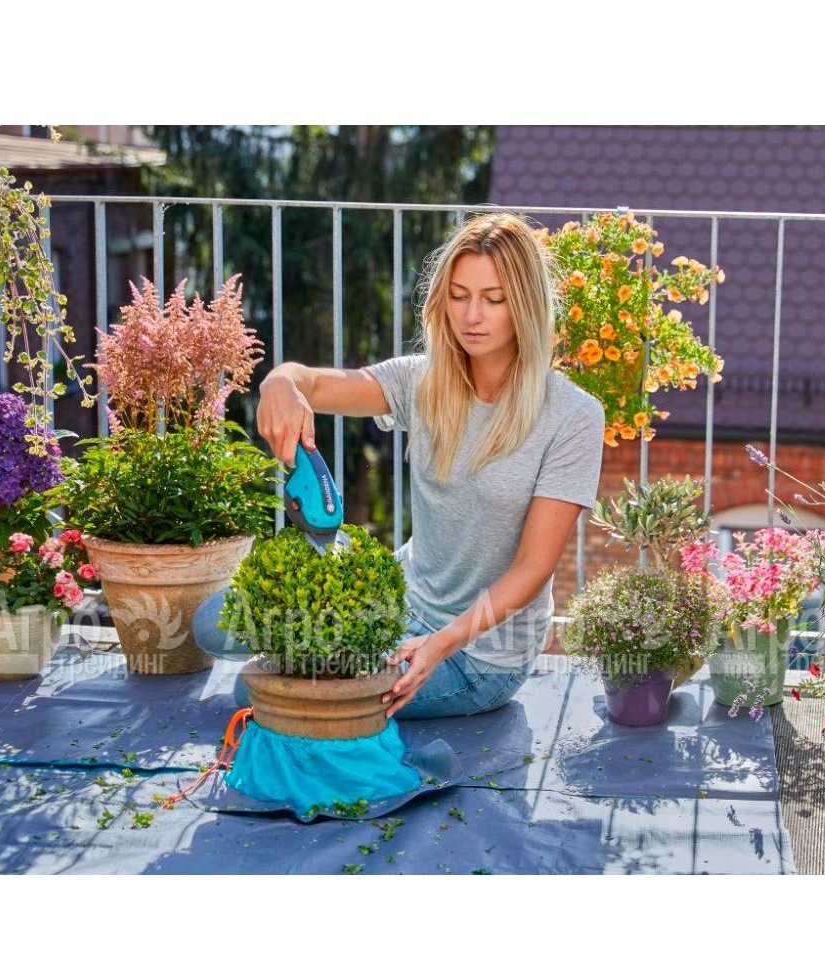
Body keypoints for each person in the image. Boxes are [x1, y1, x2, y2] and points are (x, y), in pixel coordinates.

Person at [257, 211, 605, 719]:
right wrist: (280, 381)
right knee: (215, 626)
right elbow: (313, 383)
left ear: (525, 305)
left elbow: (533, 569)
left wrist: (440, 644)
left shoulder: (573, 416)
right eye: (459, 296)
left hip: (481, 656)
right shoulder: (423, 381)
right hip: (400, 600)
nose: (471, 316)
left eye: (494, 299)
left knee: (273, 697)